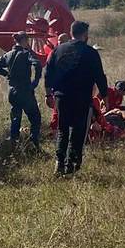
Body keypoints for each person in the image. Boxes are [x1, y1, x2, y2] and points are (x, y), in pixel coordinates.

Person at [45, 21, 108, 176]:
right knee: (78, 132)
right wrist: (105, 98)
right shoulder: (91, 53)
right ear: (85, 34)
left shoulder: (57, 50)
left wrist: (48, 94)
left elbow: (48, 74)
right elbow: (100, 77)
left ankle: (59, 162)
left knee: (63, 130)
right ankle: (71, 166)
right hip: (81, 98)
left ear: (71, 32)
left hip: (61, 98)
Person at [0, 31, 43, 150]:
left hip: (12, 91)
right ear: (24, 40)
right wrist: (35, 81)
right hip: (25, 90)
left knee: (15, 117)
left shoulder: (8, 54)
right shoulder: (26, 53)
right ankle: (34, 143)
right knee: (35, 118)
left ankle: (14, 143)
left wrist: (7, 74)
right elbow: (37, 64)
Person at [47, 33, 71, 132]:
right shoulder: (53, 54)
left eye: (62, 41)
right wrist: (48, 94)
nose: (60, 43)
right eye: (59, 41)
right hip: (58, 90)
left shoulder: (73, 54)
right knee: (57, 112)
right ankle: (55, 131)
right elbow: (48, 74)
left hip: (71, 89)